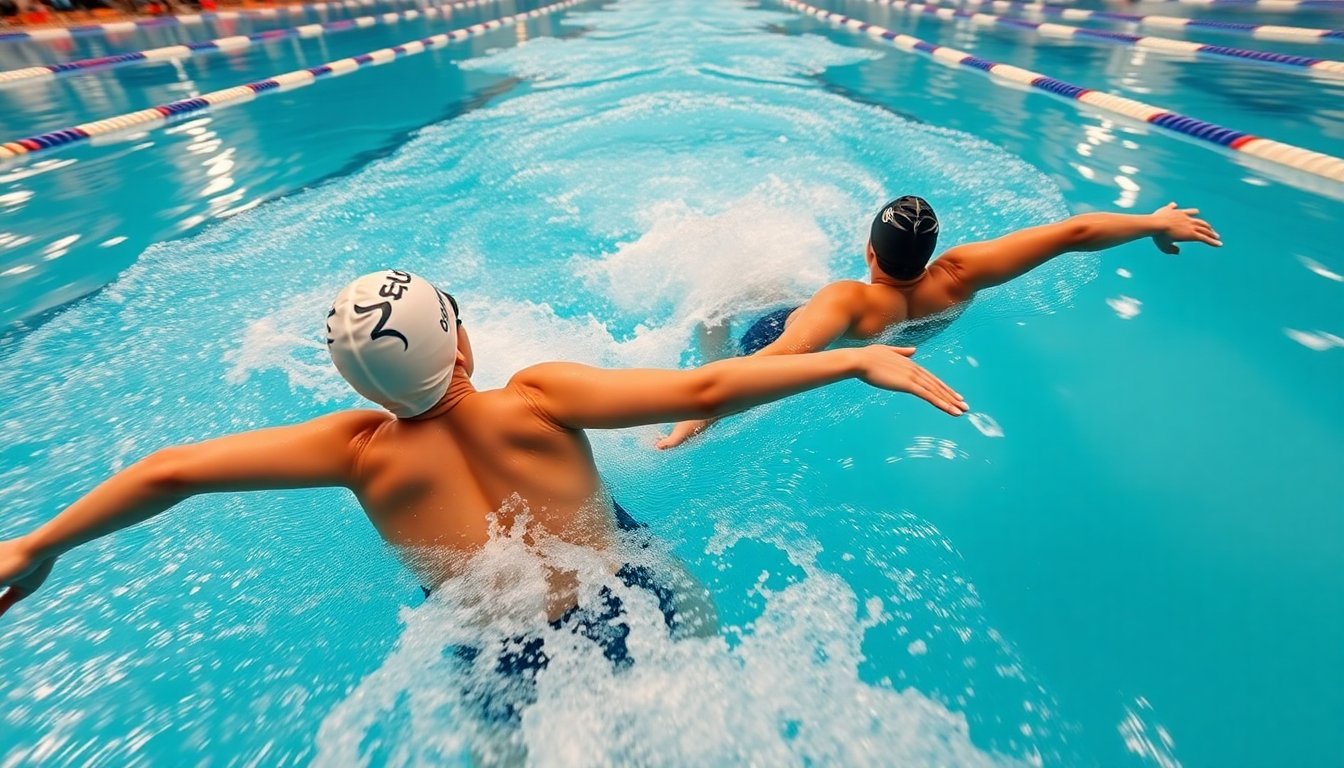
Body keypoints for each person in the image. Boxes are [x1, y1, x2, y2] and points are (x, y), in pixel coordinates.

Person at [0, 270, 966, 672]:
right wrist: (852, 358)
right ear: (461, 340)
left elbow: (171, 472)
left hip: (496, 650)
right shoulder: (539, 398)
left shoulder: (355, 452)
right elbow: (707, 386)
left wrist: (39, 543)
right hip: (628, 591)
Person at [657, 197, 1221, 448]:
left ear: (870, 253)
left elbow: (772, 363)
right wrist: (1153, 221)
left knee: (719, 306)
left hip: (792, 332)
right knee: (779, 293)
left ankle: (714, 338)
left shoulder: (846, 299)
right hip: (852, 328)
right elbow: (1072, 234)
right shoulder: (959, 275)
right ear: (927, 253)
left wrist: (697, 416)